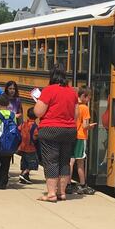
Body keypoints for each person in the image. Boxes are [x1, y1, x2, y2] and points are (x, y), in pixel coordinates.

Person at [32, 64, 78, 202]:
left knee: (51, 160)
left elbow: (38, 112)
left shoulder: (49, 90)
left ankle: (51, 193)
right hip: (69, 130)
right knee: (64, 161)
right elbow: (76, 114)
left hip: (50, 130)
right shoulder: (72, 92)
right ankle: (62, 192)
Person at [70, 86, 96, 195]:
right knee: (80, 162)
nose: (89, 100)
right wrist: (91, 126)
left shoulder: (74, 105)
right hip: (81, 137)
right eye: (89, 97)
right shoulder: (84, 108)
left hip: (72, 135)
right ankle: (82, 184)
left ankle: (67, 183)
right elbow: (85, 126)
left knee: (70, 160)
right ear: (84, 96)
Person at [18, 107, 40, 184]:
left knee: (24, 162)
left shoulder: (23, 123)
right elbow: (35, 136)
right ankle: (24, 174)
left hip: (22, 146)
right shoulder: (35, 126)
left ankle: (23, 175)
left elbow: (18, 130)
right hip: (31, 147)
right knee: (33, 163)